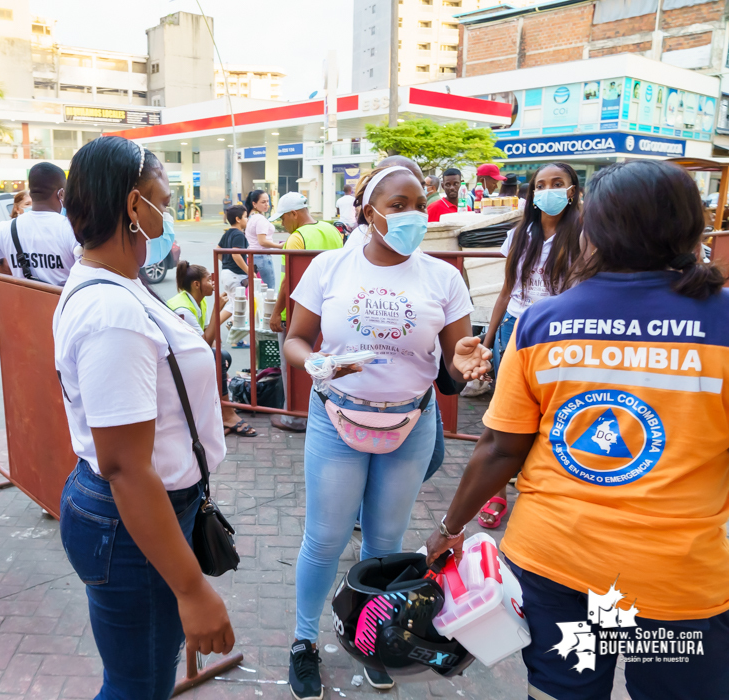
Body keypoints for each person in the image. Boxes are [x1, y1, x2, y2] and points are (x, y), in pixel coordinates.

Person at [425, 159, 729, 700]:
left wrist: (450, 527)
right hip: (676, 582)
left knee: (564, 692)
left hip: (555, 566)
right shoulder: (722, 322)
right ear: (690, 226)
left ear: (594, 229)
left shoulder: (545, 322)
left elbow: (499, 447)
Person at [282, 165, 491, 698]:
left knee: (383, 544)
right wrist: (315, 366)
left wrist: (465, 363)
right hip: (336, 419)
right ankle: (304, 642)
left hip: (410, 423)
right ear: (368, 211)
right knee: (325, 540)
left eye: (418, 203)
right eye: (398, 204)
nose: (412, 215)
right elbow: (296, 340)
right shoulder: (330, 268)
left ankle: (370, 636)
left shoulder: (442, 277)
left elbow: (453, 358)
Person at [53, 136, 235, 700]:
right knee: (139, 686)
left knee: (139, 677)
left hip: (136, 516)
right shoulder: (113, 311)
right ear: (134, 207)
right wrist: (192, 590)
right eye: (163, 197)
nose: (170, 210)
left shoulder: (121, 286)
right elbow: (126, 466)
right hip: (132, 522)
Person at [477, 162, 582, 529]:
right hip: (514, 331)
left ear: (572, 190)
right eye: (541, 184)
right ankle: (495, 495)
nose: (548, 190)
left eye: (558, 183)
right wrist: (488, 341)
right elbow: (507, 290)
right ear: (531, 193)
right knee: (503, 418)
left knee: (553, 418)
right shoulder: (520, 234)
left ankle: (543, 494)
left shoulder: (584, 236)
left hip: (560, 336)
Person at [267, 191, 343, 433]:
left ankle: (295, 417)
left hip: (299, 312)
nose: (282, 224)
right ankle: (327, 411)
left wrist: (276, 313)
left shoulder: (297, 238)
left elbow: (286, 282)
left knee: (293, 366)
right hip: (330, 311)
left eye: (283, 218)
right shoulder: (333, 230)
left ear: (293, 214)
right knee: (329, 364)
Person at [168, 261, 257, 438]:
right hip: (174, 361)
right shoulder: (183, 308)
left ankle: (216, 406)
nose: (213, 284)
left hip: (185, 354)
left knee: (223, 357)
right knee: (217, 358)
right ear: (196, 284)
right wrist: (218, 309)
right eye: (209, 280)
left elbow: (209, 336)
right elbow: (203, 343)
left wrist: (219, 358)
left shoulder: (198, 301)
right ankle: (227, 414)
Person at [0, 162, 77, 286]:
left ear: (31, 194)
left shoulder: (5, 229)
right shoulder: (72, 229)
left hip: (24, 304)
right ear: (61, 194)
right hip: (64, 304)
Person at [244, 189, 282, 288]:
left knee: (257, 290)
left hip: (253, 256)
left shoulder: (251, 217)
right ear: (254, 204)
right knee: (269, 290)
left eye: (267, 201)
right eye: (263, 202)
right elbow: (262, 241)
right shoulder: (260, 219)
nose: (266, 204)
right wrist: (279, 246)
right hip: (262, 257)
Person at [217, 204, 250, 295]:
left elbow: (218, 250)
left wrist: (226, 262)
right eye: (245, 217)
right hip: (236, 275)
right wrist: (249, 272)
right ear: (238, 219)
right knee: (239, 306)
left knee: (233, 306)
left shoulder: (227, 233)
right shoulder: (239, 234)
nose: (247, 219)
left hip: (226, 273)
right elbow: (236, 254)